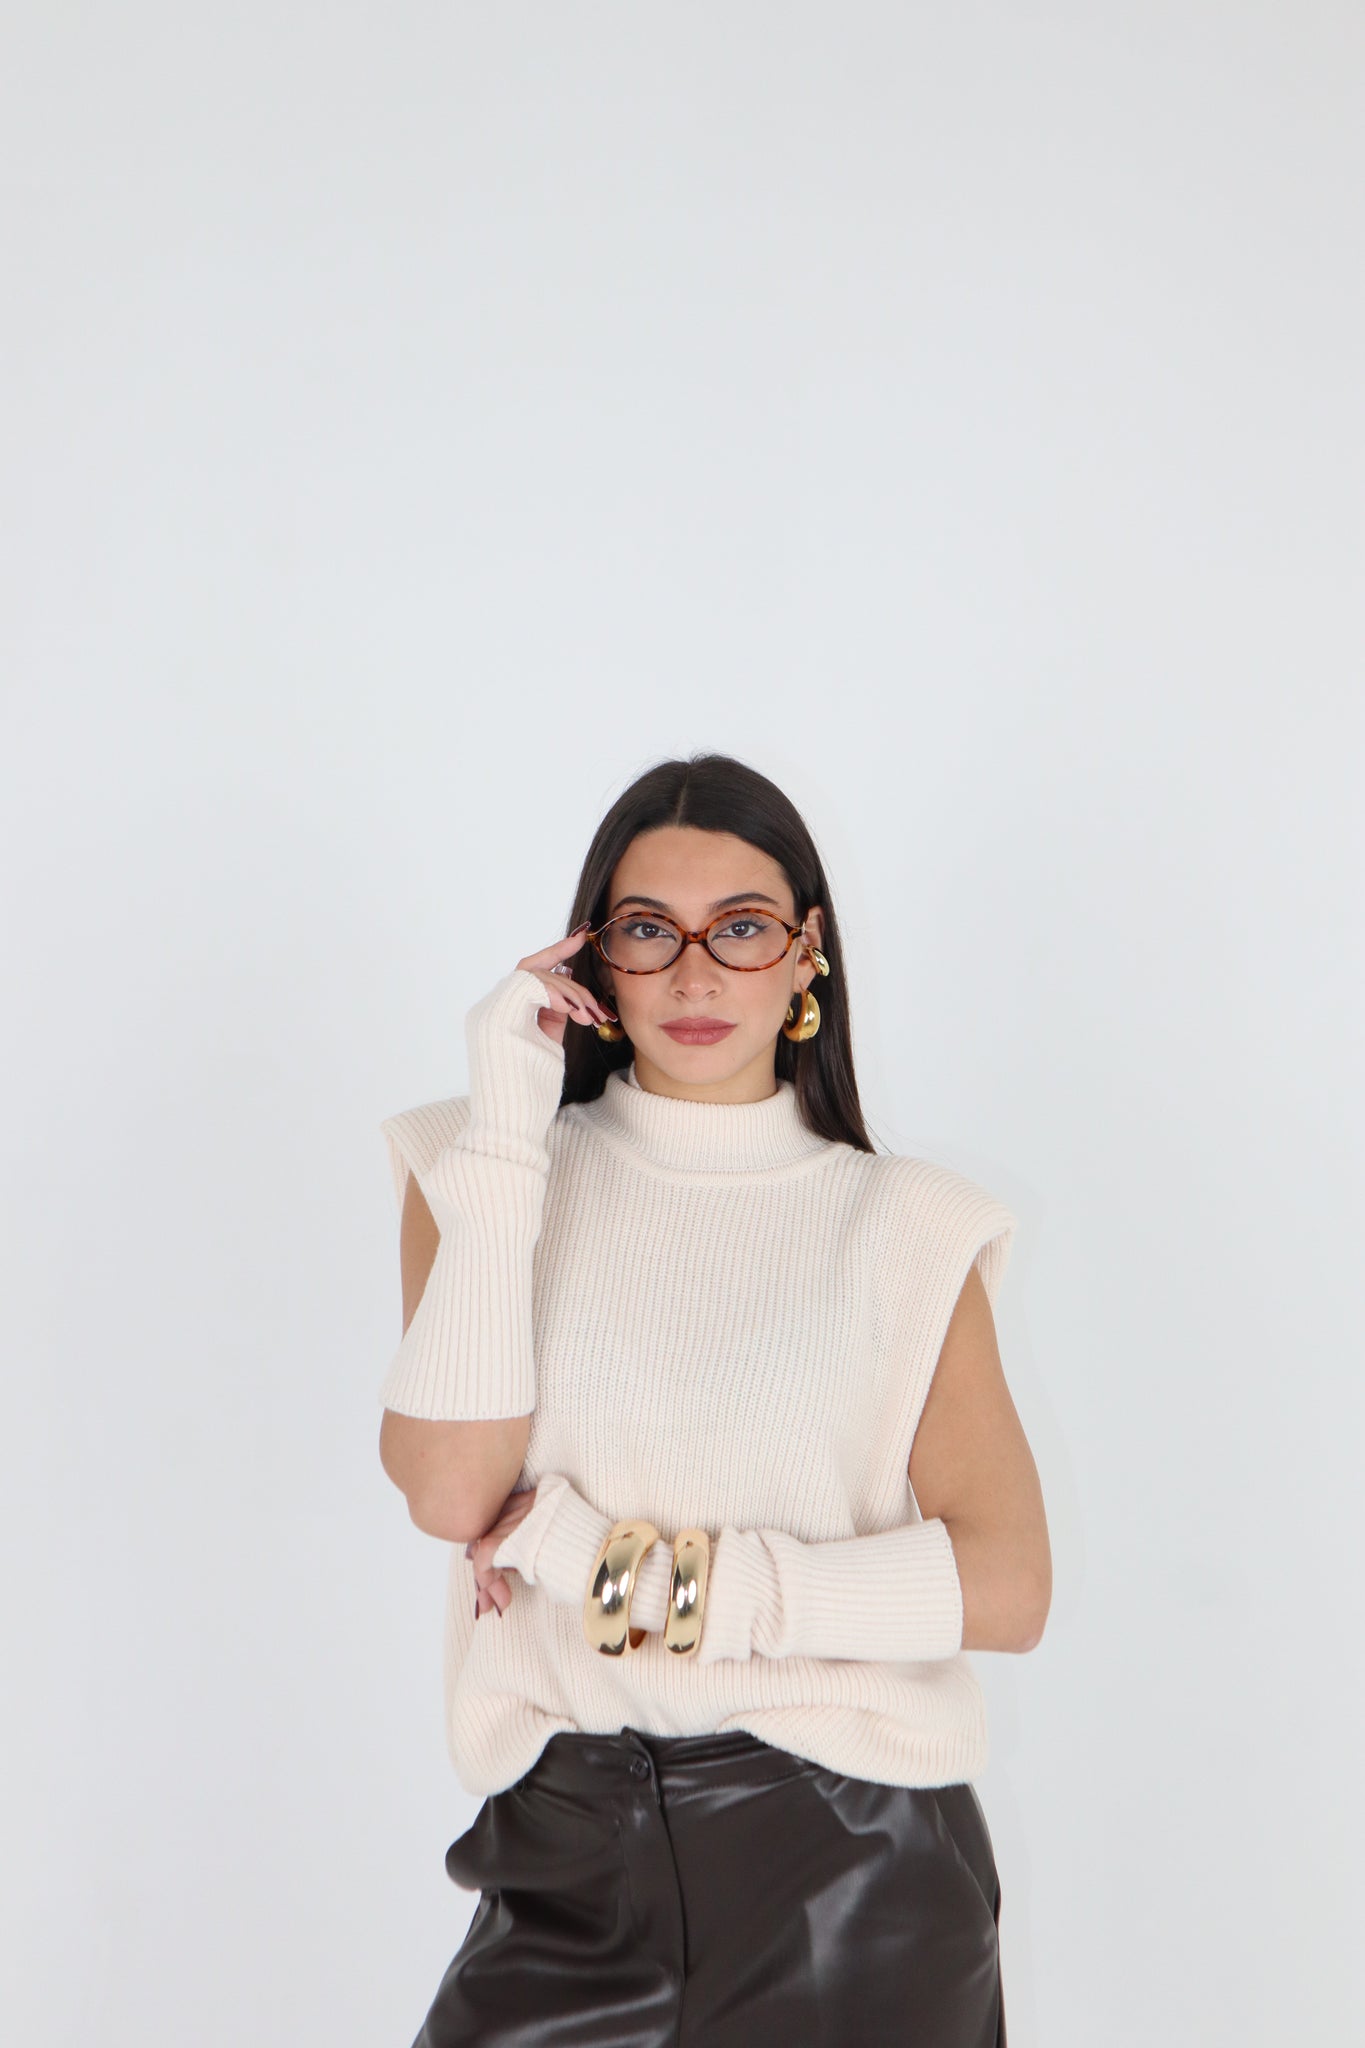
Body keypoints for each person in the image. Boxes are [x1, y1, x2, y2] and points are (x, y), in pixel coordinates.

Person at [376, 751, 1051, 2047]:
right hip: (560, 1863)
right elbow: (453, 1490)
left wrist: (616, 1569)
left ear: (808, 954)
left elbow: (1007, 1586)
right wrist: (509, 1128)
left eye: (741, 929)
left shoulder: (909, 1225)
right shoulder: (473, 1165)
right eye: (648, 930)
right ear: (594, 961)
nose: (695, 975)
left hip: (852, 1873)